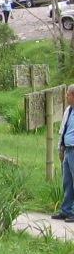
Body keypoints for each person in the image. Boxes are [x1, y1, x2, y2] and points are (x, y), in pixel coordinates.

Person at [53, 85, 74, 222]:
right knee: (67, 182)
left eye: (68, 94)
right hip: (67, 150)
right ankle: (66, 210)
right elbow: (63, 129)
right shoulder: (68, 110)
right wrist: (61, 147)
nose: (66, 96)